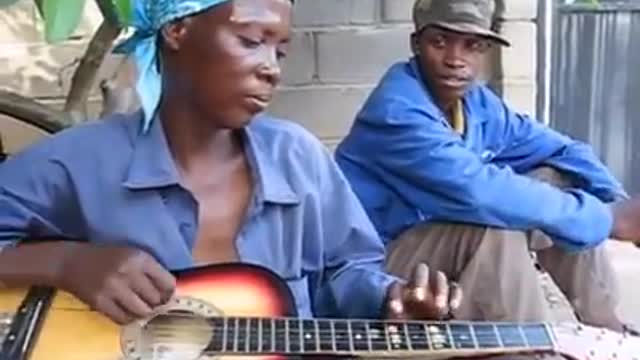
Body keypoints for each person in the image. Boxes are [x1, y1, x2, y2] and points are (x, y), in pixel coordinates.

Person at [0, 0, 462, 329]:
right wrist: (66, 263)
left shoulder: (298, 157)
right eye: (250, 41)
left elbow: (342, 271)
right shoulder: (79, 161)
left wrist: (389, 299)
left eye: (279, 51)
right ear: (176, 30)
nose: (272, 68)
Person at [335, 0, 640, 336]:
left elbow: (562, 149)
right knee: (493, 227)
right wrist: (609, 219)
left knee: (555, 179)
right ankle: (529, 351)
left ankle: (608, 331)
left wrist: (613, 198)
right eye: (440, 42)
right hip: (373, 275)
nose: (455, 60)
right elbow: (478, 192)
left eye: (472, 45)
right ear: (416, 44)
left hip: (431, 253)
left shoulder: (476, 104)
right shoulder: (396, 111)